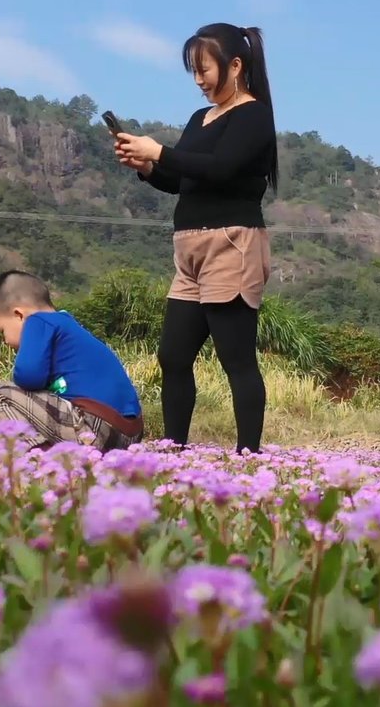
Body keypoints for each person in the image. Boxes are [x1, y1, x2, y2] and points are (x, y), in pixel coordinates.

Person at [111, 22, 276, 454]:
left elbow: (220, 168)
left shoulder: (254, 115)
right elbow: (182, 179)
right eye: (194, 72)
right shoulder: (199, 118)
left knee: (236, 358)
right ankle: (174, 448)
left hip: (231, 245)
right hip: (189, 252)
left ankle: (248, 455)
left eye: (204, 70)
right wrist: (146, 166)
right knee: (173, 355)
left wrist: (159, 151)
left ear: (235, 66)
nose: (199, 81)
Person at [0, 270, 143, 452]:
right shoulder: (64, 323)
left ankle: (39, 459)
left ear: (19, 315)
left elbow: (28, 377)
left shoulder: (38, 321)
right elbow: (47, 396)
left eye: (2, 331)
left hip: (93, 427)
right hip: (128, 433)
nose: (4, 341)